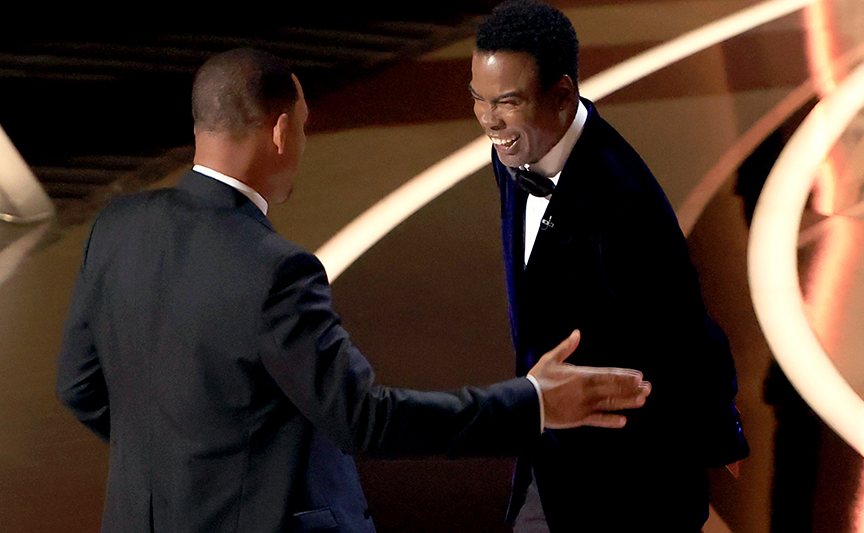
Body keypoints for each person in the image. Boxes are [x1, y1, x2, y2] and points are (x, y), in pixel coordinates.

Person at [57, 47, 654, 533]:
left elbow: (79, 387)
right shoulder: (275, 270)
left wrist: (188, 464)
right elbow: (365, 419)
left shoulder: (117, 227)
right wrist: (535, 402)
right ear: (282, 130)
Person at [469, 0, 749, 532]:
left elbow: (683, 331)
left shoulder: (620, 206)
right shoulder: (515, 153)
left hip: (627, 481)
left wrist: (720, 432)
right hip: (551, 456)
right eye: (478, 100)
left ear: (562, 95)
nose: (488, 121)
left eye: (505, 102)